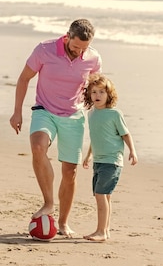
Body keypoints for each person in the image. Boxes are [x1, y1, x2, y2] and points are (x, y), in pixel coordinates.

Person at [10, 19, 102, 238]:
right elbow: (24, 79)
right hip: (45, 110)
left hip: (73, 115)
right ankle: (48, 203)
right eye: (76, 46)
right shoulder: (45, 50)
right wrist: (17, 112)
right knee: (38, 147)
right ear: (67, 36)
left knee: (70, 171)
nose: (79, 51)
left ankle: (63, 223)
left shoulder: (93, 59)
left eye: (84, 48)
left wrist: (104, 120)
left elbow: (96, 89)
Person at [82, 73, 137, 242]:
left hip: (112, 161)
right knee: (105, 196)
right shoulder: (91, 114)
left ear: (109, 95)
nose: (97, 96)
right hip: (98, 160)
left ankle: (100, 231)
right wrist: (88, 156)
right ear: (89, 95)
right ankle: (105, 230)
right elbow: (95, 137)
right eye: (94, 92)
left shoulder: (114, 114)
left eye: (102, 92)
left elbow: (125, 134)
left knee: (100, 194)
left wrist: (132, 151)